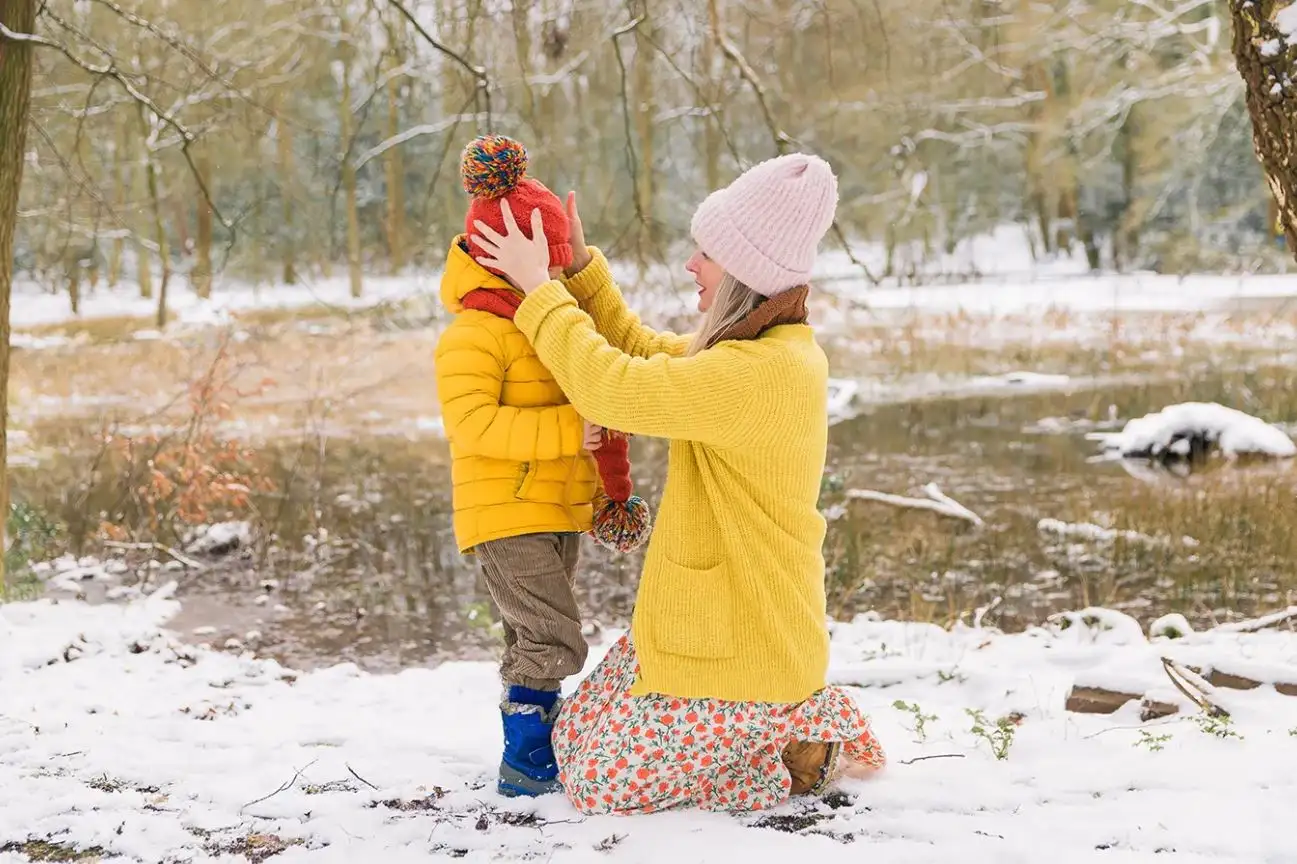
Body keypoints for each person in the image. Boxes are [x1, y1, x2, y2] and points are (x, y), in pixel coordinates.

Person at [469, 152, 886, 815]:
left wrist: (536, 292)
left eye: (706, 254)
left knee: (600, 786)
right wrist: (577, 272)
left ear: (744, 273)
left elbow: (612, 388)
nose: (691, 265)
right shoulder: (747, 355)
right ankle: (774, 734)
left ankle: (786, 750)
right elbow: (634, 348)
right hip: (715, 627)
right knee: (576, 737)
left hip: (745, 643)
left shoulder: (756, 374)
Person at [433, 135, 605, 799]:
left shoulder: (545, 317)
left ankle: (536, 747)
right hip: (504, 509)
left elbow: (603, 340)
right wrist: (572, 431)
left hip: (555, 505)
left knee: (535, 631)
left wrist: (582, 260)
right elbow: (470, 425)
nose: (555, 282)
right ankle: (528, 761)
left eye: (560, 269)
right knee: (550, 632)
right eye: (545, 267)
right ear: (503, 259)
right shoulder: (474, 334)